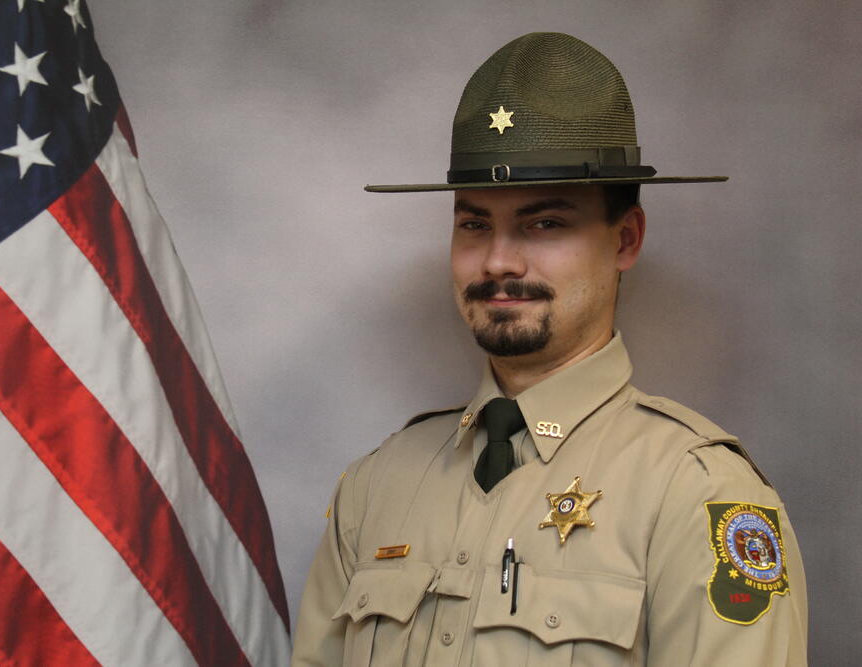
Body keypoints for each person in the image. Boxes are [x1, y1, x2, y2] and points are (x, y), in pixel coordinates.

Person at [292, 32, 807, 666]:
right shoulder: (376, 488)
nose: (498, 260)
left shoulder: (697, 495)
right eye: (474, 223)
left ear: (626, 239)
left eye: (545, 223)